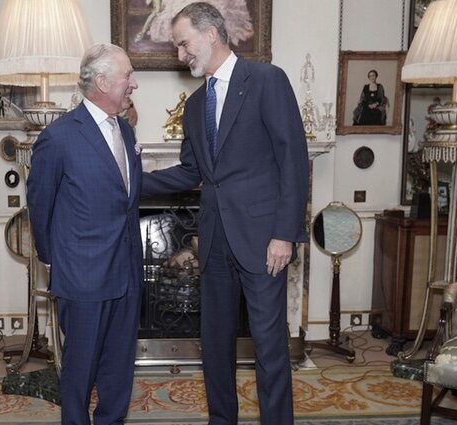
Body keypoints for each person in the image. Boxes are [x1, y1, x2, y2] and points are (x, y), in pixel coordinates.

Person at [142, 3, 308, 424]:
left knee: (270, 347)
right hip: (213, 241)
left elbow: (293, 160)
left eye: (184, 44)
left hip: (263, 239)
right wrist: (129, 182)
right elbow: (191, 171)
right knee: (214, 344)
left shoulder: (267, 80)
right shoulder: (196, 105)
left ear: (211, 34)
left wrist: (285, 234)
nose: (181, 55)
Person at [26, 43, 142, 425]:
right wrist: (53, 260)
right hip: (83, 276)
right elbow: (40, 206)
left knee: (119, 367)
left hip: (127, 273)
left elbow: (125, 196)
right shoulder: (58, 137)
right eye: (128, 76)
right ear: (103, 81)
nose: (134, 84)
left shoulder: (124, 130)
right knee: (80, 369)